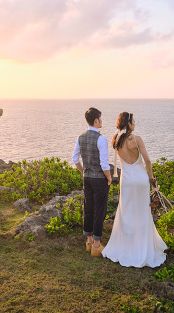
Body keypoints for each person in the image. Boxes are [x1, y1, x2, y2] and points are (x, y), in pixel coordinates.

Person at [100, 112, 167, 267]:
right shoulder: (136, 139)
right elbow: (148, 160)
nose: (135, 123)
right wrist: (152, 180)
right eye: (133, 121)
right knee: (142, 212)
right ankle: (142, 247)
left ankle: (127, 246)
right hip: (141, 180)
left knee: (127, 212)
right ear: (129, 124)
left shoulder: (115, 139)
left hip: (127, 181)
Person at [72, 107, 113, 257]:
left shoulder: (80, 137)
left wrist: (83, 172)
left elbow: (75, 159)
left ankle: (89, 241)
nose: (101, 121)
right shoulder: (101, 139)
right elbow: (104, 164)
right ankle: (96, 245)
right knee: (99, 211)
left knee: (88, 209)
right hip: (99, 180)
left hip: (87, 178)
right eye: (100, 119)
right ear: (96, 120)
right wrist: (109, 177)